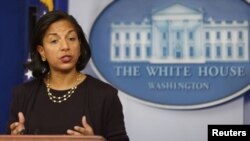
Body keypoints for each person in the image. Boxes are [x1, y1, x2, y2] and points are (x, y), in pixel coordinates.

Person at [6, 10, 129, 141]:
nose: (65, 46)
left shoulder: (105, 95)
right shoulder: (23, 94)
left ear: (80, 45)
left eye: (71, 38)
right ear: (42, 51)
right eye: (54, 41)